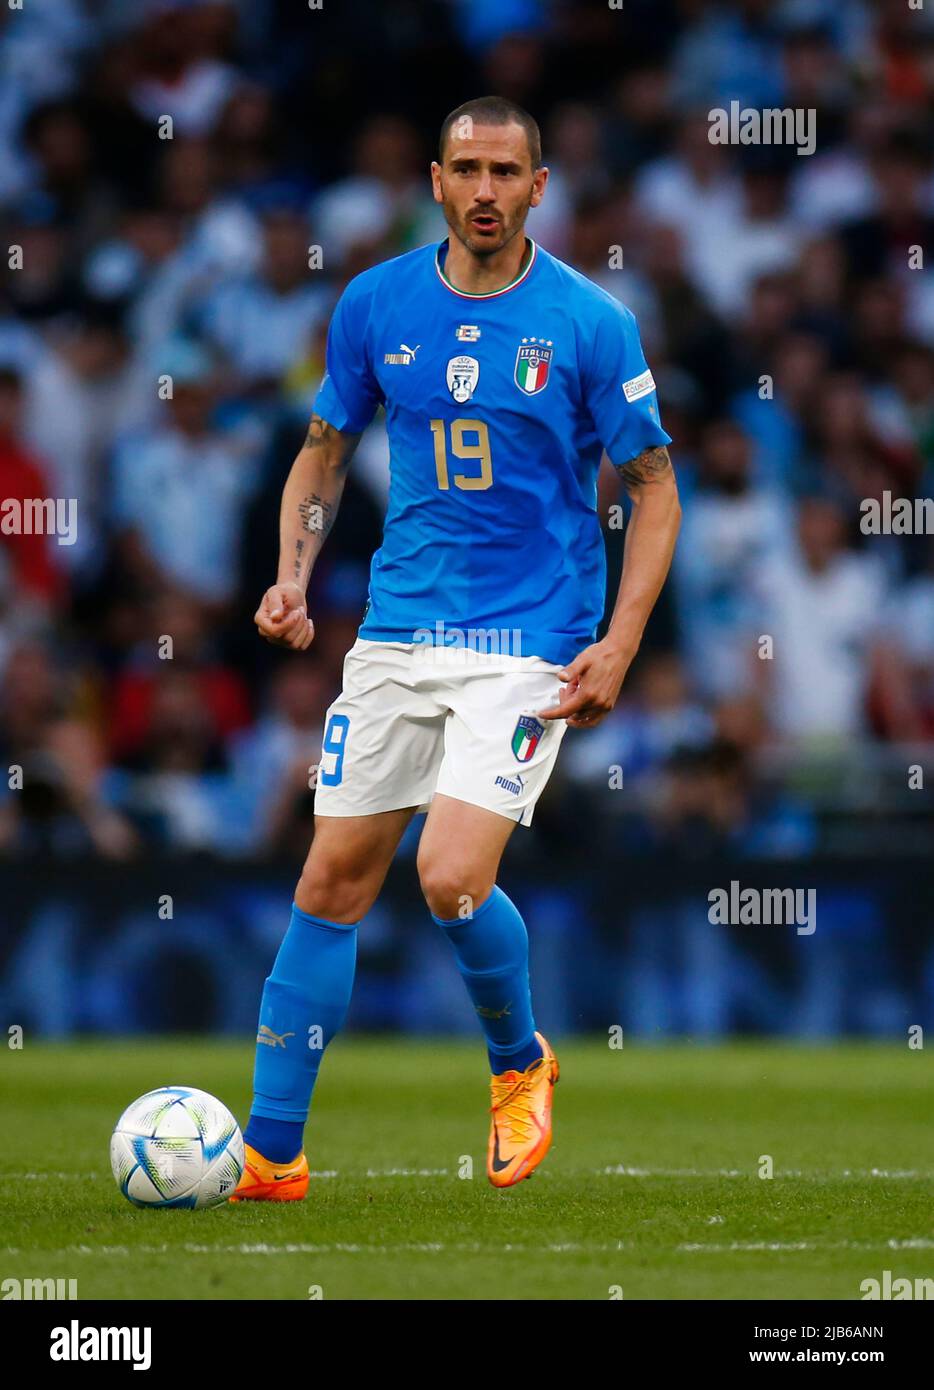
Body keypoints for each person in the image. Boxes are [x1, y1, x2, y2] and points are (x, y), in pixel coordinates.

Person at [232, 95, 681, 1202]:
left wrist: (619, 645)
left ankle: (518, 1060)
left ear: (540, 187)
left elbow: (655, 491)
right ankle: (271, 1153)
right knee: (330, 879)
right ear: (434, 180)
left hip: (532, 636)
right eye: (466, 169)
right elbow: (322, 454)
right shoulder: (373, 302)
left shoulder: (587, 321)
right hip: (397, 628)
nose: (485, 190)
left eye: (506, 172)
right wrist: (292, 577)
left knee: (445, 874)